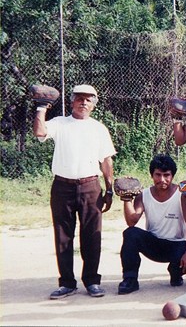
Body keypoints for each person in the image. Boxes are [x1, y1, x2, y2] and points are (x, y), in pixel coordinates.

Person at [33, 84, 116, 299]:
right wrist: (41, 107)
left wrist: (110, 189)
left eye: (89, 99)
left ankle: (92, 281)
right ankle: (67, 283)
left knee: (92, 236)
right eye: (79, 98)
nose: (84, 102)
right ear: (71, 101)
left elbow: (106, 160)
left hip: (90, 186)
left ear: (94, 105)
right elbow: (39, 131)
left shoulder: (98, 128)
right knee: (63, 236)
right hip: (62, 186)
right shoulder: (60, 123)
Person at [117, 154, 186, 294]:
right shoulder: (144, 194)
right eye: (158, 175)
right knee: (130, 233)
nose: (162, 180)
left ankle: (176, 273)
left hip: (178, 245)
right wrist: (127, 199)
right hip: (155, 244)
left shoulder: (181, 194)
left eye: (166, 175)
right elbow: (132, 221)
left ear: (172, 176)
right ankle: (130, 279)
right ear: (152, 175)